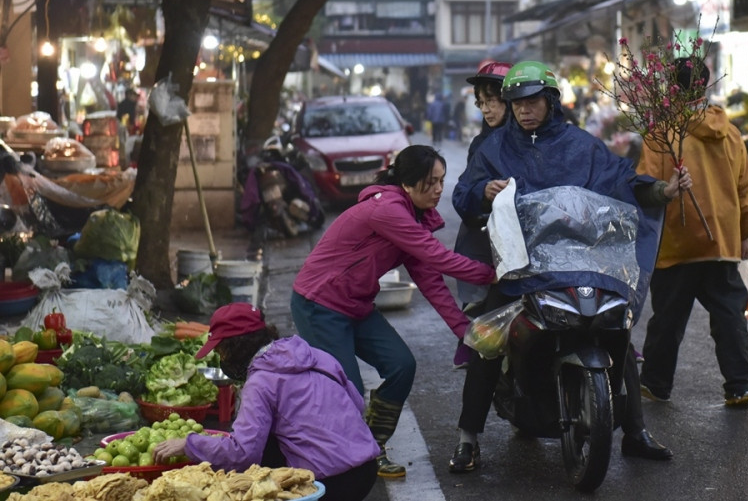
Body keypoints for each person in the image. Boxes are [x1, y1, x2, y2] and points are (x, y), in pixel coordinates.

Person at [448, 60, 690, 473]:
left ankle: (635, 431)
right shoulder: (492, 148)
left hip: (583, 259)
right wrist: (481, 192)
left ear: (551, 101)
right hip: (520, 265)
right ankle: (468, 438)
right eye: (516, 103)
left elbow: (624, 181)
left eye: (532, 101)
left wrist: (661, 190)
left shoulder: (583, 145)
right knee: (487, 337)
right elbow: (462, 195)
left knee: (618, 329)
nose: (524, 110)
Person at [291, 145, 496, 478]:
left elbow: (432, 282)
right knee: (348, 388)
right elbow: (440, 258)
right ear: (408, 183)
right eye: (430, 182)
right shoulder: (387, 211)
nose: (438, 190)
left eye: (442, 181)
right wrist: (493, 273)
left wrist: (466, 333)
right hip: (319, 304)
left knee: (401, 365)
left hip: (355, 305)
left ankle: (371, 443)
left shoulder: (413, 217)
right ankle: (345, 459)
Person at [151, 303, 380, 501]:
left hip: (328, 483)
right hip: (368, 468)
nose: (222, 359)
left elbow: (243, 453)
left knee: (260, 455)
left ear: (235, 347)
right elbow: (356, 404)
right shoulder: (317, 356)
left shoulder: (260, 383)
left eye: (221, 351)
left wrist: (189, 444)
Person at [637, 56, 748, 409]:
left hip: (677, 241)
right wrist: (745, 233)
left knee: (668, 319)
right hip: (721, 242)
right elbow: (744, 190)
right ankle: (739, 384)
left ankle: (657, 384)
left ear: (670, 89)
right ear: (705, 86)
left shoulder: (661, 134)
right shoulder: (730, 133)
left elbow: (648, 186)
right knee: (728, 314)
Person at [451, 62, 511, 369]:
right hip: (487, 232)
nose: (487, 110)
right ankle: (470, 342)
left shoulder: (538, 138)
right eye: (482, 103)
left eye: (494, 101)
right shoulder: (481, 144)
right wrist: (483, 192)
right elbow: (463, 191)